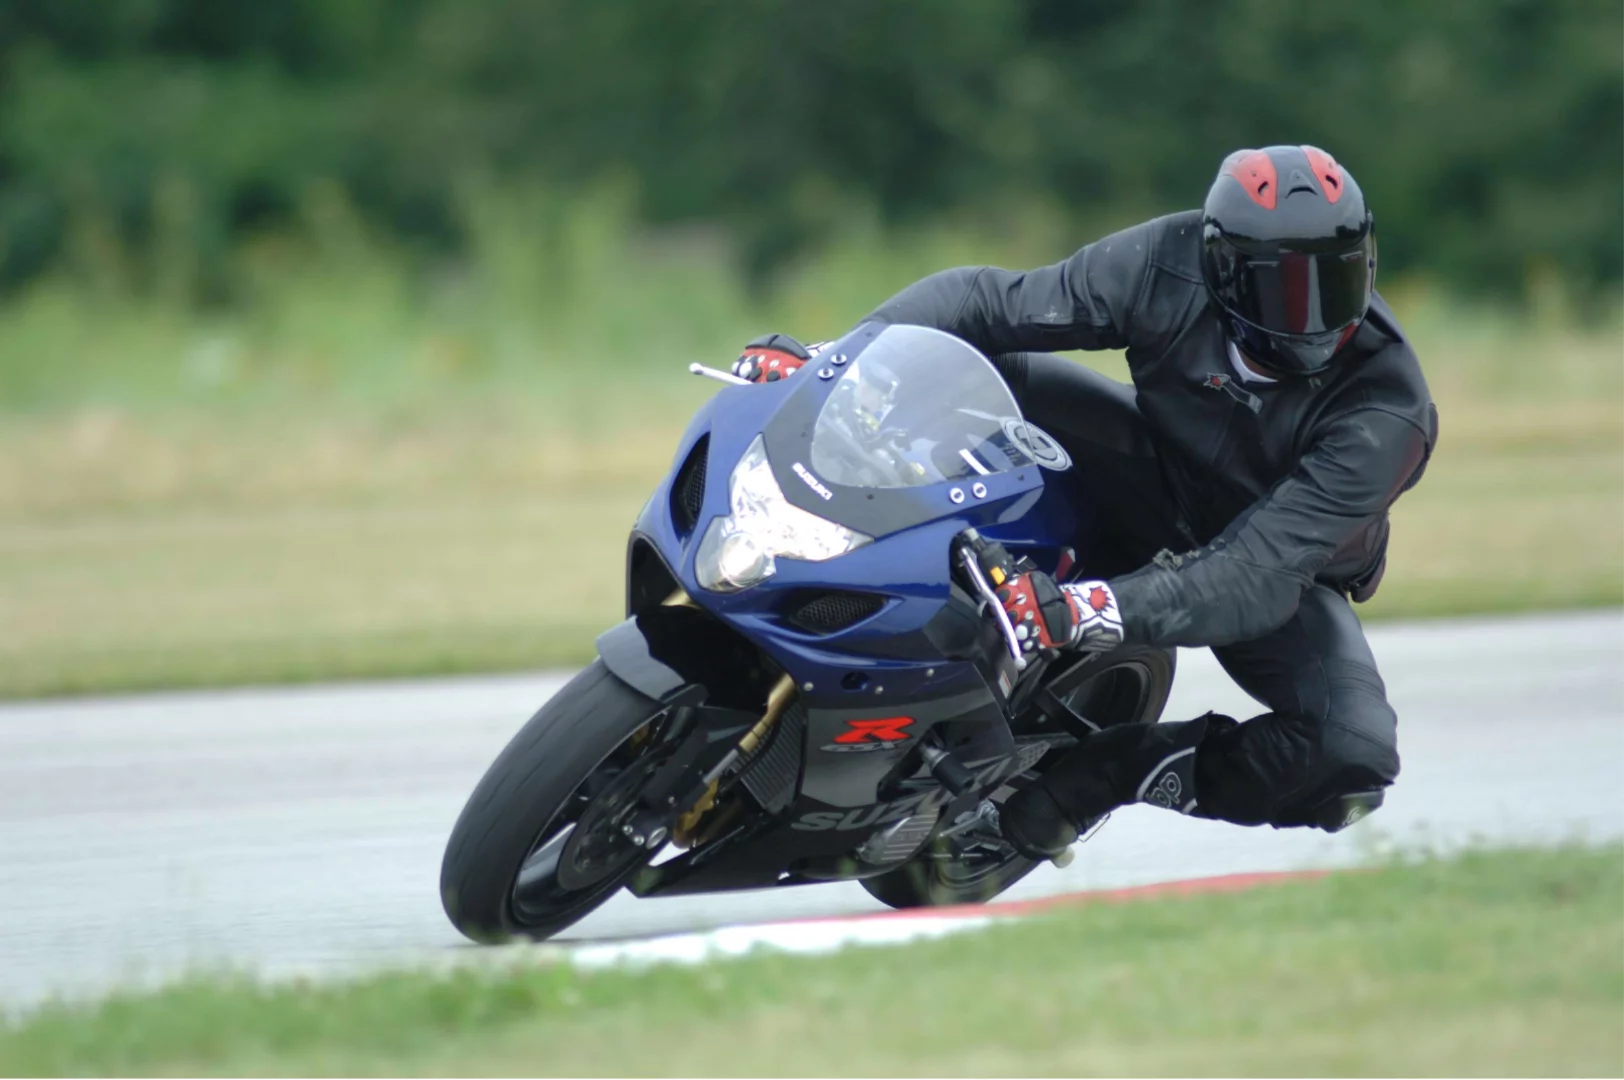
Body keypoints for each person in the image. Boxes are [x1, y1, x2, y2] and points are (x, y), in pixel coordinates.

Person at [733, 145, 1439, 858]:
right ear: (1221, 269)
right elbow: (985, 303)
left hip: (1276, 568)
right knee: (977, 368)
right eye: (1281, 288)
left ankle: (1107, 773)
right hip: (1146, 469)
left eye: (1333, 280)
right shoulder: (1166, 261)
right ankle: (846, 567)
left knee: (1350, 755)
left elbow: (1254, 574)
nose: (1311, 317)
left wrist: (1076, 610)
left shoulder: (1388, 408)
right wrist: (835, 361)